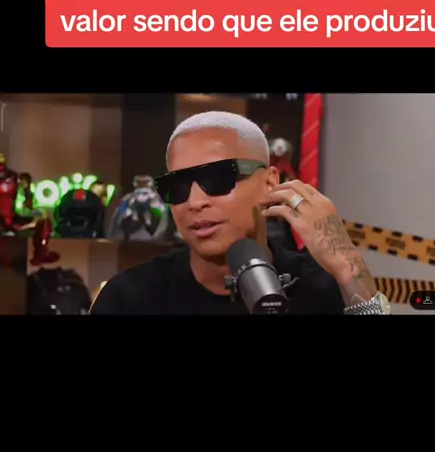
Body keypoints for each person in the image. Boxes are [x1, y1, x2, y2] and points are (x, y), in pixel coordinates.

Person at [90, 111, 390, 315]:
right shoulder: (129, 298)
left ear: (269, 182)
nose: (195, 202)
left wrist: (347, 268)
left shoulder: (320, 288)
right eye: (177, 186)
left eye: (217, 178)